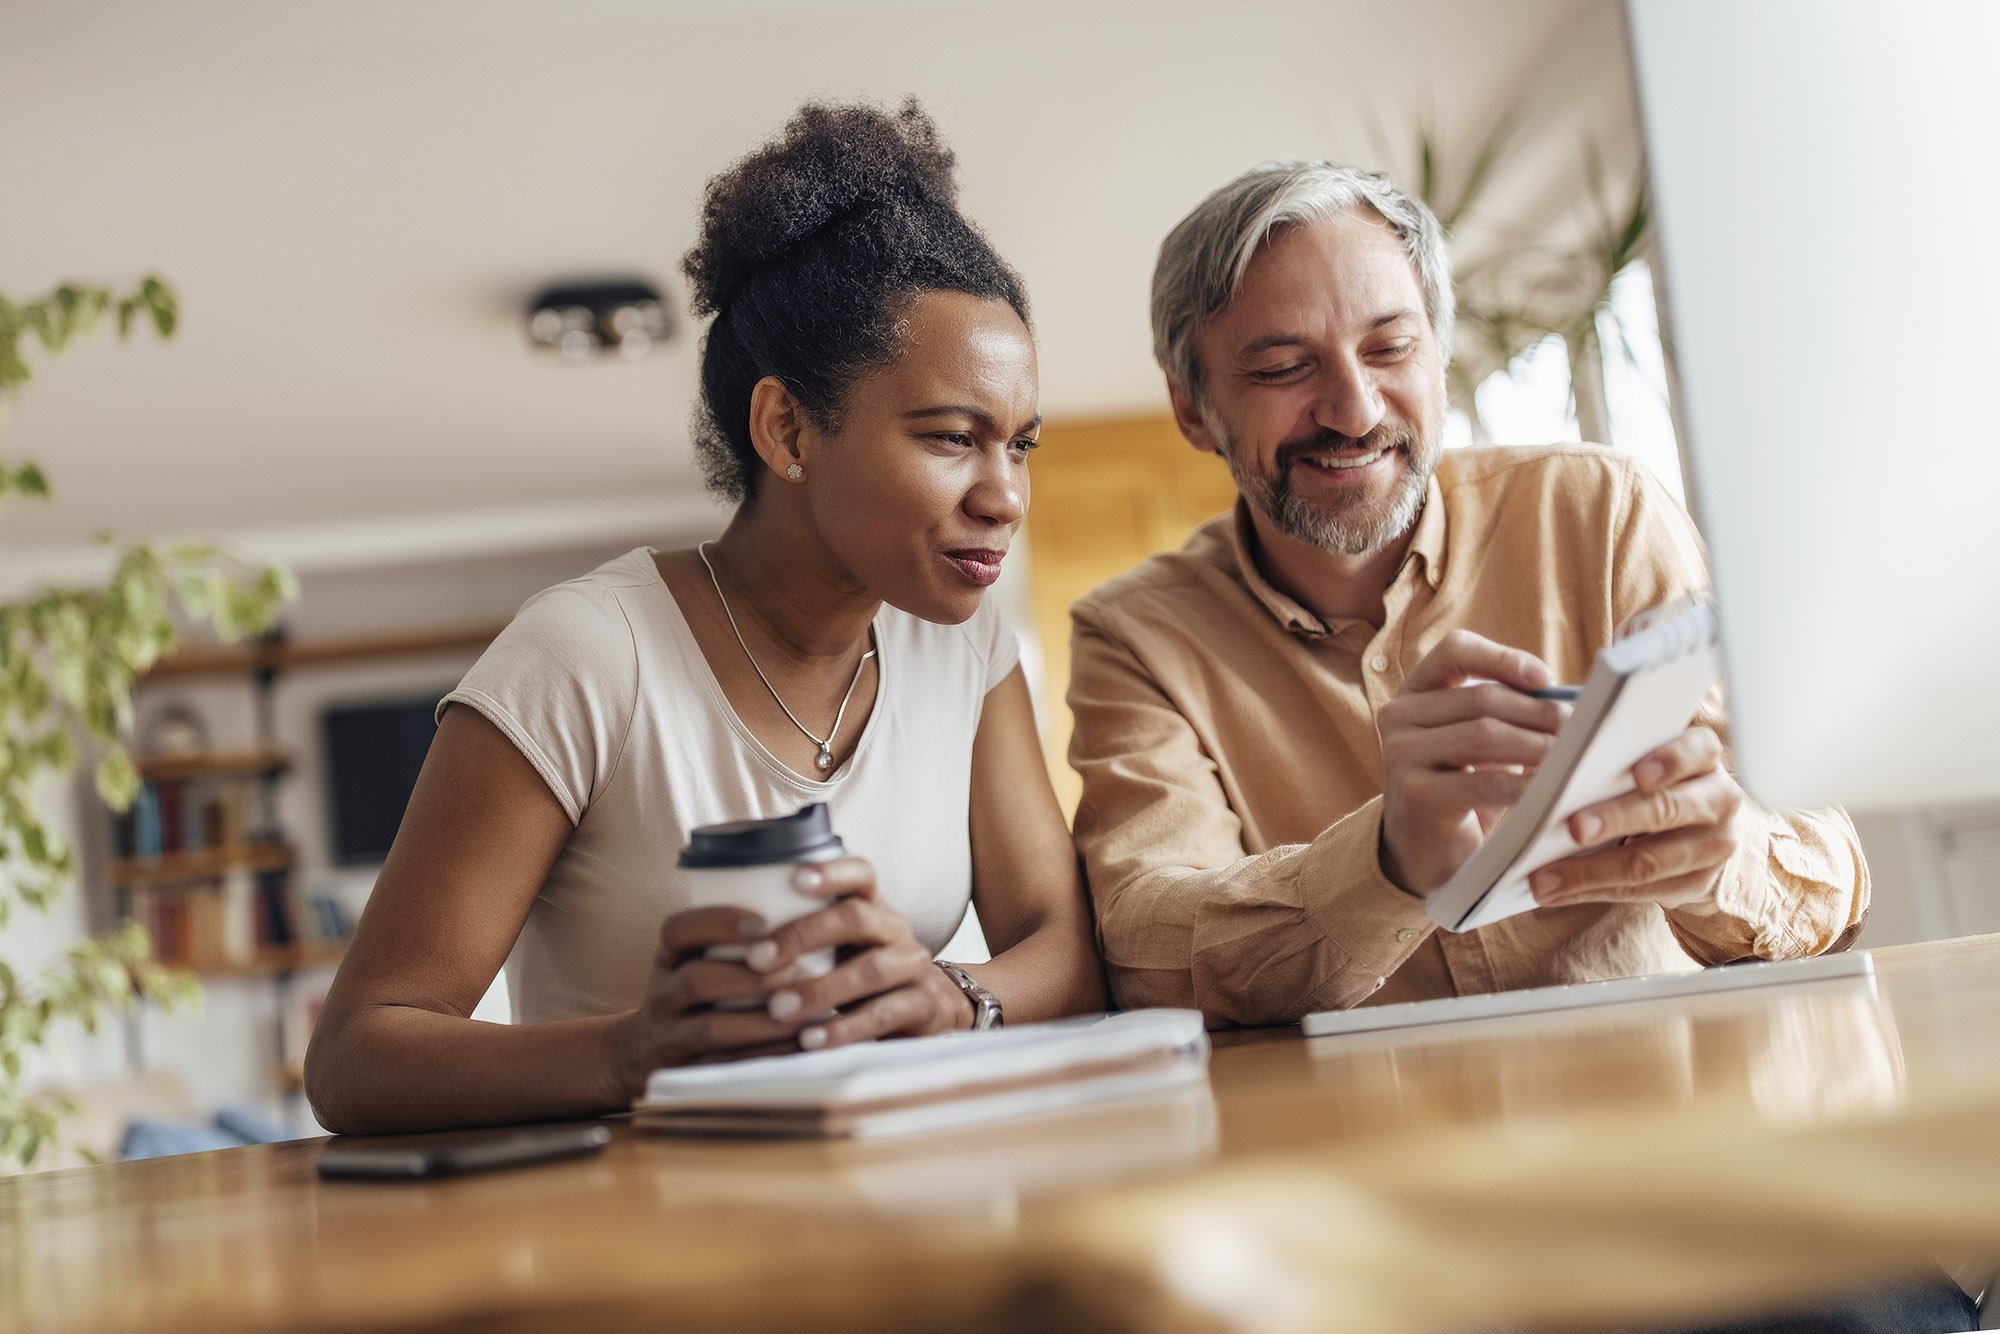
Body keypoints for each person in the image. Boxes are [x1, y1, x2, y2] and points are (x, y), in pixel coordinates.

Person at [306, 100, 1103, 1136]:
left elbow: (1067, 953)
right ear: (785, 428)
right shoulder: (583, 656)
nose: (1004, 493)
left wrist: (952, 996)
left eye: (1020, 444)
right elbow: (358, 1053)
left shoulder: (965, 646)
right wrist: (635, 1050)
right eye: (953, 436)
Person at [1067, 160, 1871, 1028]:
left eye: (1389, 347)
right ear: (1191, 408)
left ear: (1440, 354)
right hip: (1366, 1141)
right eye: (1283, 368)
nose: (1355, 409)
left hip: (1669, 1105)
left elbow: (1828, 868)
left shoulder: (1602, 514)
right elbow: (1144, 952)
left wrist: (1722, 858)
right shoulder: (1135, 636)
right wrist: (1386, 862)